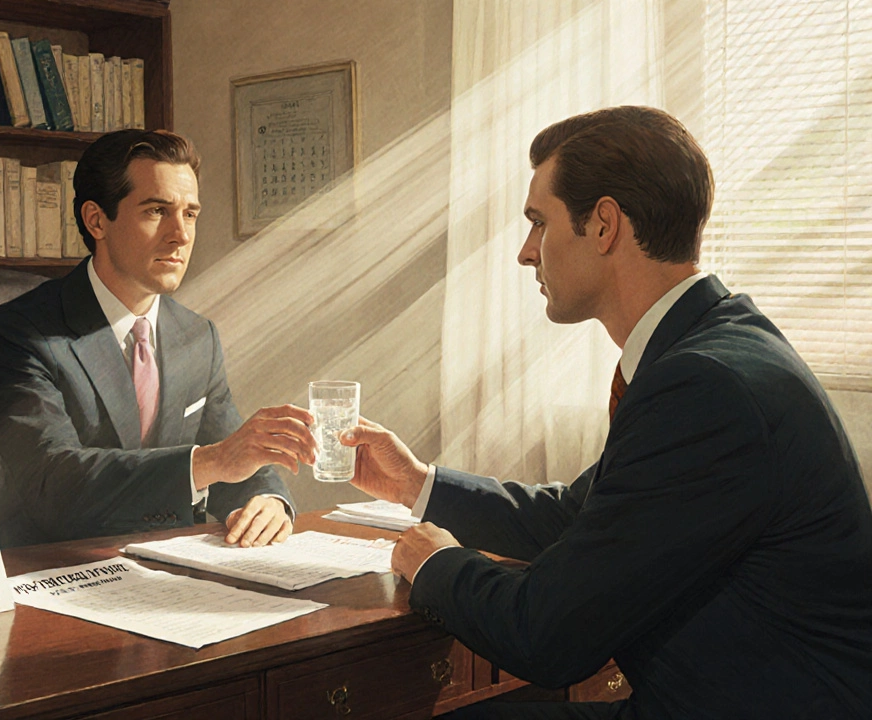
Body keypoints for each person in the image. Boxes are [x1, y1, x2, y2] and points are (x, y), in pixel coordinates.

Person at [342, 106, 872, 719]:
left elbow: (545, 637)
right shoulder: (717, 342)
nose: (525, 252)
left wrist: (434, 563)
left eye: (539, 223)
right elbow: (582, 515)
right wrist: (416, 484)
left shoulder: (704, 387)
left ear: (603, 226)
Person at [0, 129, 316, 549]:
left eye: (190, 214)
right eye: (157, 211)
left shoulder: (196, 336)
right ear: (96, 220)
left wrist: (266, 498)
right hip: (54, 572)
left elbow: (230, 450)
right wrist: (211, 462)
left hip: (166, 570)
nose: (182, 235)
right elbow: (53, 482)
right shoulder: (19, 332)